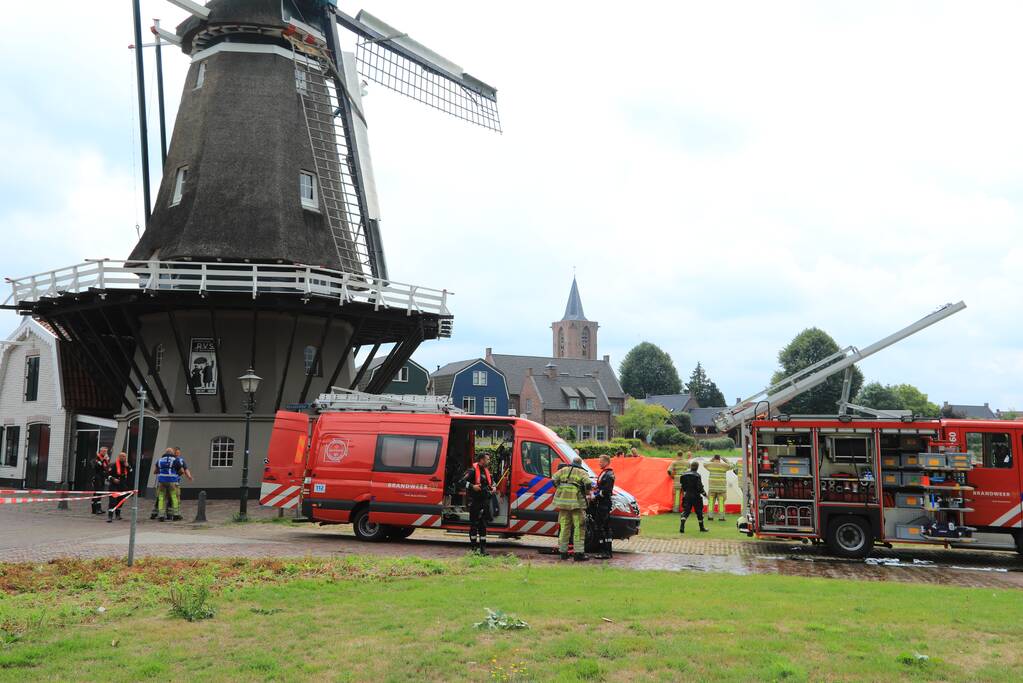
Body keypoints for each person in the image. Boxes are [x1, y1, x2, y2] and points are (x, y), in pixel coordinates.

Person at [552, 455, 593, 561]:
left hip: (563, 504)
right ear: (580, 465)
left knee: (564, 527)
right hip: (576, 505)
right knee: (579, 528)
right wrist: (587, 493)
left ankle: (563, 553)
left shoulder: (563, 470)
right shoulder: (582, 472)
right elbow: (588, 483)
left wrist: (560, 487)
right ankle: (578, 554)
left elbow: (553, 479)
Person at [463, 452, 494, 555]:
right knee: (474, 525)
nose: (489, 461)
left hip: (484, 502)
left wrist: (493, 488)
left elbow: (490, 484)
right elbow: (461, 481)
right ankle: (473, 549)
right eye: (487, 459)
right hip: (475, 502)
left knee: (483, 526)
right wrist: (472, 486)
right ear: (481, 460)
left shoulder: (486, 471)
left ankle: (483, 550)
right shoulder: (472, 471)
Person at [153, 447, 192, 521]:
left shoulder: (159, 460)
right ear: (172, 453)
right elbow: (182, 471)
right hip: (172, 481)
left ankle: (161, 515)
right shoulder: (175, 460)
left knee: (161, 498)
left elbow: (155, 471)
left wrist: (162, 471)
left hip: (162, 482)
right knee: (174, 497)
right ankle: (176, 514)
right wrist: (176, 474)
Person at [590, 454, 615, 559]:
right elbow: (600, 486)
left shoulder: (608, 474)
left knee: (601, 528)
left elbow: (606, 491)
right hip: (603, 504)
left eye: (600, 461)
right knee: (603, 527)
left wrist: (594, 496)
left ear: (606, 462)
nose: (599, 463)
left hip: (603, 504)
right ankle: (605, 550)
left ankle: (605, 551)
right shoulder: (605, 473)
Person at [703, 454, 738, 521]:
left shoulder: (710, 465)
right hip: (721, 488)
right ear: (719, 459)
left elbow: (705, 464)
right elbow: (733, 465)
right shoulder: (724, 466)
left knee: (710, 502)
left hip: (712, 488)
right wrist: (725, 460)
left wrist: (711, 460)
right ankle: (721, 517)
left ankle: (710, 516)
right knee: (721, 502)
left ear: (714, 458)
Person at [679, 461, 708, 534]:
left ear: (691, 466)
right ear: (697, 467)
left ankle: (682, 526)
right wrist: (704, 494)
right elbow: (699, 487)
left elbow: (682, 485)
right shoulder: (697, 475)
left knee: (686, 511)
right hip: (696, 496)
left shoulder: (684, 475)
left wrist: (686, 491)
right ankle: (702, 527)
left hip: (687, 495)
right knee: (699, 512)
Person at [106, 451, 132, 522]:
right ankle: (110, 516)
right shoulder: (113, 465)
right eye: (122, 456)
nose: (123, 458)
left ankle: (118, 515)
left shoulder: (126, 465)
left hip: (122, 485)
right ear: (119, 457)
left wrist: (128, 466)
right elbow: (107, 475)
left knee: (121, 500)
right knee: (112, 501)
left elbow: (131, 473)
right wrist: (113, 479)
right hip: (114, 485)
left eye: (124, 456)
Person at [91, 447, 110, 515]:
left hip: (102, 478)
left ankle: (99, 508)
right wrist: (103, 460)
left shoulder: (105, 459)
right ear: (100, 451)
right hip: (97, 478)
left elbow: (106, 468)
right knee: (97, 493)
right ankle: (95, 509)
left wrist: (107, 461)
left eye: (106, 451)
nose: (105, 453)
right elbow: (96, 467)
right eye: (104, 451)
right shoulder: (96, 459)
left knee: (100, 493)